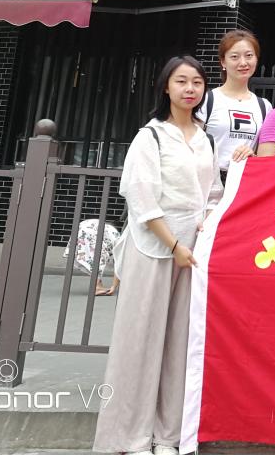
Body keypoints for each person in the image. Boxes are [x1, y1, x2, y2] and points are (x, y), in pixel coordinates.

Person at [93, 56, 222, 455]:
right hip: (154, 249)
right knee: (139, 343)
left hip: (193, 253)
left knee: (181, 345)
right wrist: (173, 245)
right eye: (181, 81)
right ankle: (129, 437)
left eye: (197, 82)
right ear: (166, 86)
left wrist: (206, 226)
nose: (189, 89)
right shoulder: (150, 136)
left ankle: (169, 436)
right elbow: (141, 197)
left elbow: (213, 194)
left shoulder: (205, 138)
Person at [200, 29, 272, 182]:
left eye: (249, 55)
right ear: (223, 61)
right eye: (234, 57)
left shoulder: (264, 106)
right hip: (210, 181)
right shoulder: (207, 100)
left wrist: (253, 155)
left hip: (246, 182)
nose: (243, 62)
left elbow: (266, 155)